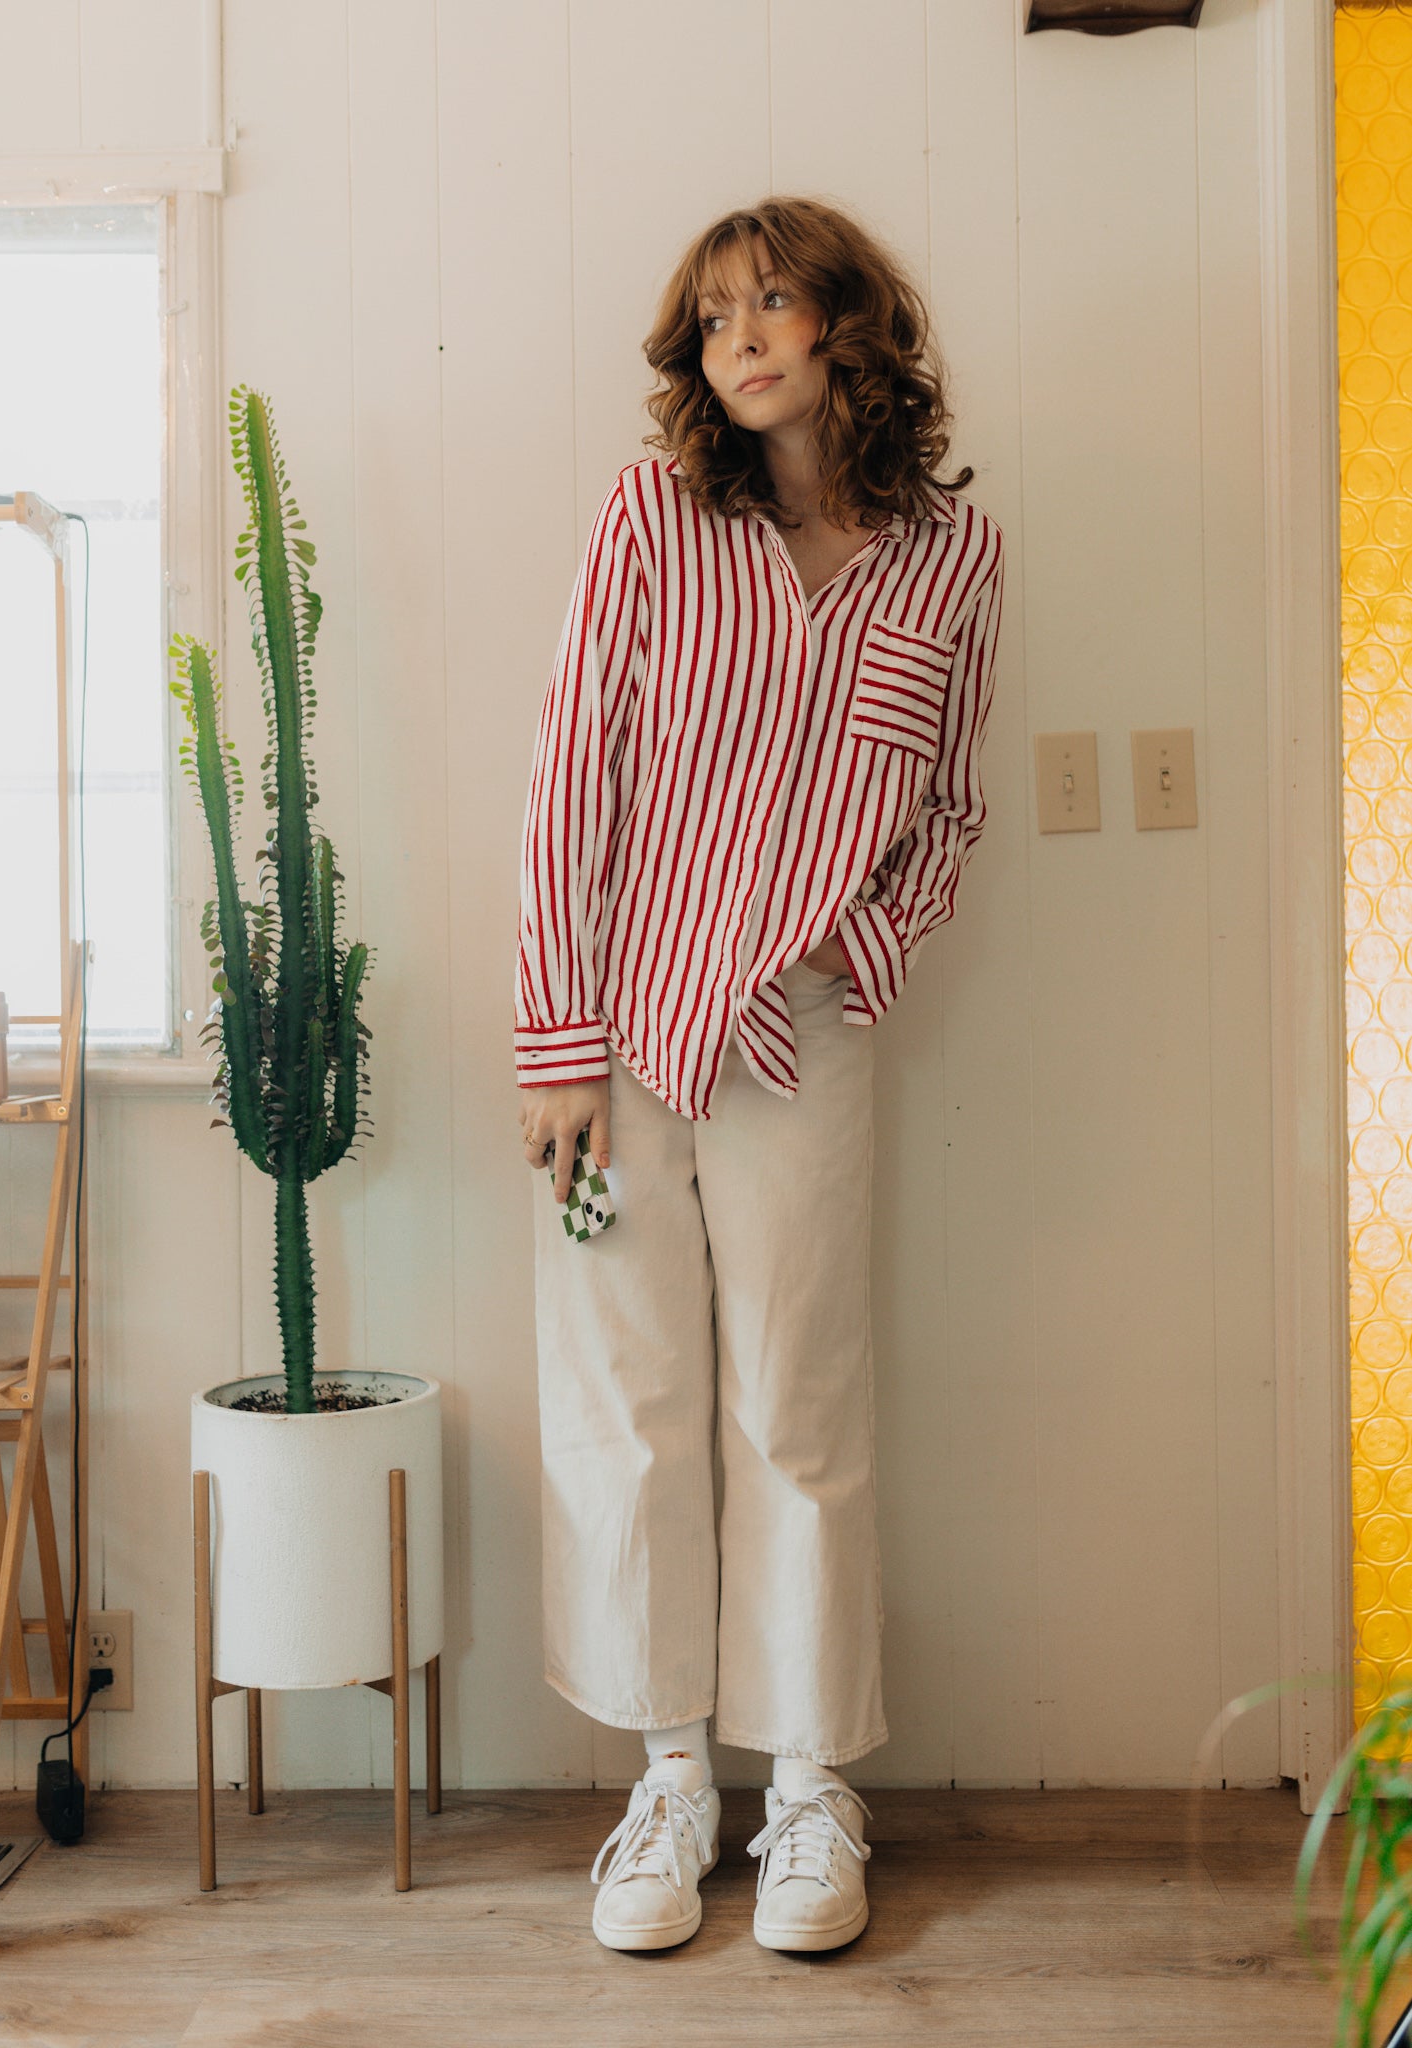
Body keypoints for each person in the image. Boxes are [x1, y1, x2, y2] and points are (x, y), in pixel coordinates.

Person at [512, 194, 1005, 1955]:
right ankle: (668, 1781)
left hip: (802, 1032)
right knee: (630, 1410)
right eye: (713, 313)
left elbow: (942, 805)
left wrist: (860, 955)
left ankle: (806, 1787)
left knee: (797, 1406)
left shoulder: (949, 558)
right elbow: (574, 777)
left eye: (773, 299)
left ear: (846, 328)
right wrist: (556, 1041)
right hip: (624, 1036)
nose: (739, 334)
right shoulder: (653, 516)